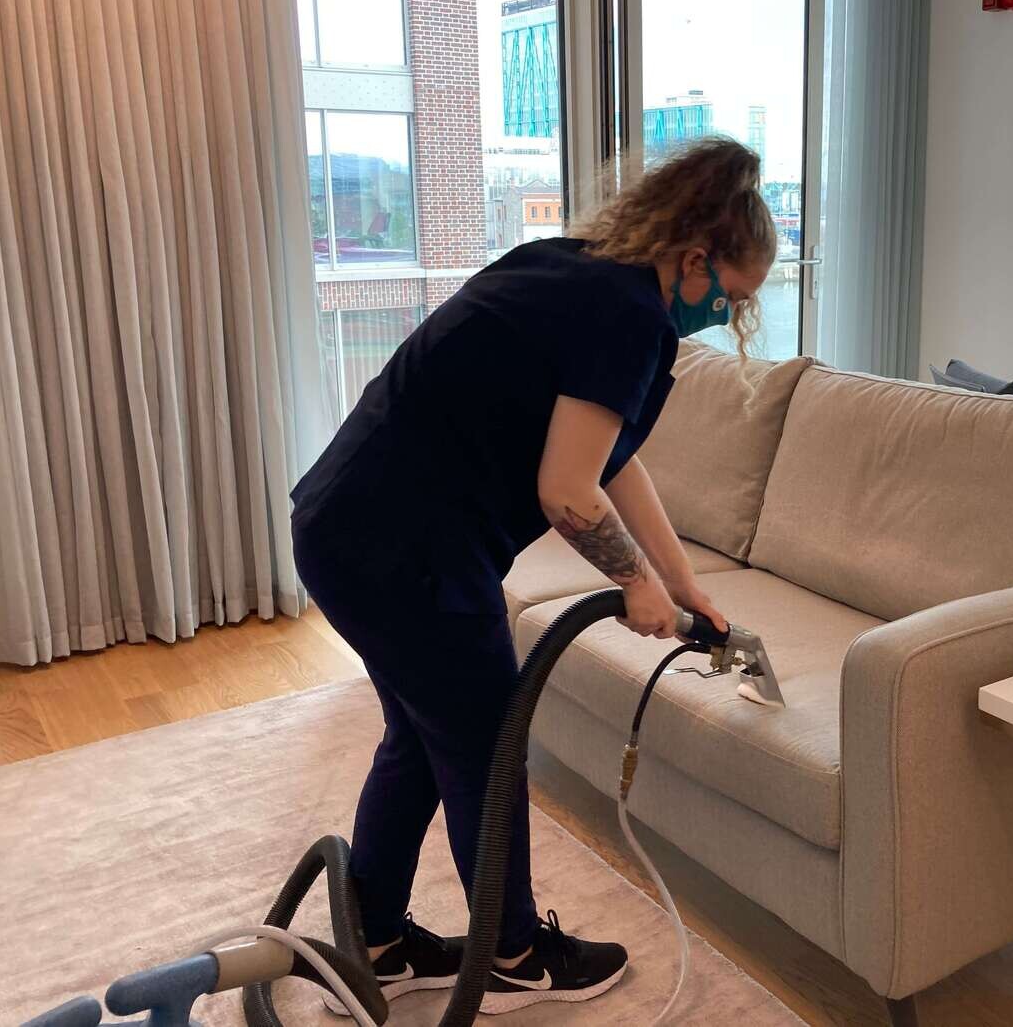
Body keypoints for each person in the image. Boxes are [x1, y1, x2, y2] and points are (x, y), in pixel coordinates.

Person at [290, 138, 775, 1015]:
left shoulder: (580, 269)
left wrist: (682, 581)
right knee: (485, 740)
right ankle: (510, 954)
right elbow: (568, 494)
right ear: (697, 257)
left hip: (345, 523)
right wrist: (633, 585)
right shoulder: (627, 311)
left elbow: (614, 460)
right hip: (407, 548)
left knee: (422, 729)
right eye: (730, 296)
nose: (726, 314)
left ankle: (377, 940)